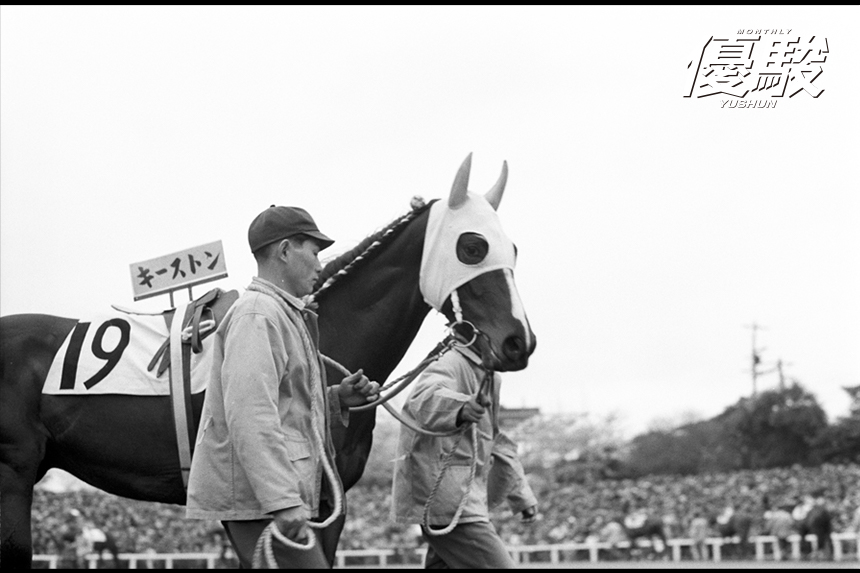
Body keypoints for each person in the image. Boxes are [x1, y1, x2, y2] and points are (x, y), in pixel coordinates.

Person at [186, 205, 380, 568]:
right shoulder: (258, 314)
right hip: (262, 502)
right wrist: (282, 500)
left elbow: (280, 405)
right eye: (315, 251)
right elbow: (250, 414)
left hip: (269, 497)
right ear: (286, 251)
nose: (321, 264)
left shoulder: (280, 313)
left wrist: (336, 399)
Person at [390, 338, 538, 569]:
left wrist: (521, 494)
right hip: (448, 500)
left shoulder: (489, 376)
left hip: (462, 498)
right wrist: (461, 407)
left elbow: (494, 439)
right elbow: (422, 400)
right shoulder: (451, 361)